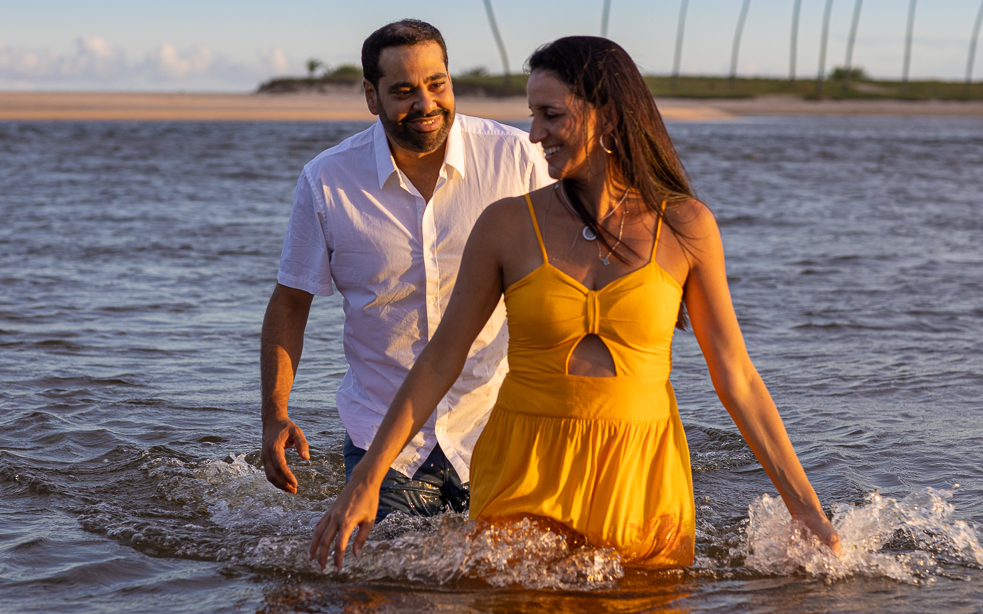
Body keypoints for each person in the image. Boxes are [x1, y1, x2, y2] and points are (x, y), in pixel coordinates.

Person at [310, 36, 840, 570]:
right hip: (525, 467)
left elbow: (737, 377)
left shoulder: (687, 227)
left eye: (550, 115)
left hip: (642, 473)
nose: (534, 133)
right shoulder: (506, 225)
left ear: (606, 116)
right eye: (531, 114)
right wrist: (368, 477)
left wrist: (807, 509)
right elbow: (441, 358)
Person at [261, 19, 551, 519]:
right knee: (378, 589)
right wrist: (275, 414)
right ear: (371, 97)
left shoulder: (518, 159)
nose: (425, 104)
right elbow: (291, 300)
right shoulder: (327, 180)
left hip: (498, 427)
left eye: (436, 84)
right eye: (403, 91)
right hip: (382, 437)